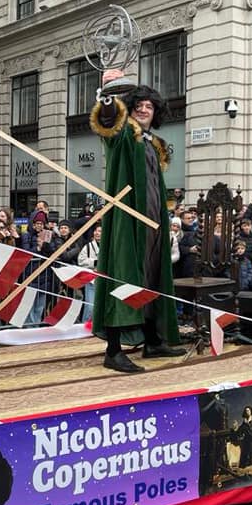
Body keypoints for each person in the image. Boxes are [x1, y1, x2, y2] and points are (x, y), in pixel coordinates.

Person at [89, 72, 184, 373]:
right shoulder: (123, 135)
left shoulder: (151, 144)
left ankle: (154, 341)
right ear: (130, 108)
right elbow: (107, 121)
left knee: (154, 279)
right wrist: (107, 99)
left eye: (149, 106)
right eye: (139, 105)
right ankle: (113, 350)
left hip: (154, 226)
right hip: (129, 225)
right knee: (124, 277)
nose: (144, 110)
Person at [76, 224, 101, 323]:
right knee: (90, 306)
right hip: (91, 280)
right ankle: (84, 325)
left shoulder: (108, 246)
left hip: (104, 280)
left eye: (99, 231)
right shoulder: (88, 246)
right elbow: (81, 260)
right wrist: (94, 262)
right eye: (96, 231)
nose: (97, 233)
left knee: (100, 306)